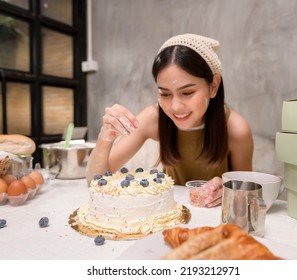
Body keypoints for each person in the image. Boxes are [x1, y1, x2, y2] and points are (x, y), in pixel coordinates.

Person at [86, 33, 253, 207]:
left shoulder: (236, 129)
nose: (175, 106)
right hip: (170, 217)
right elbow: (96, 180)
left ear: (214, 86)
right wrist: (105, 136)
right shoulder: (154, 118)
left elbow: (246, 194)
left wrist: (226, 189)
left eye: (187, 93)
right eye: (165, 94)